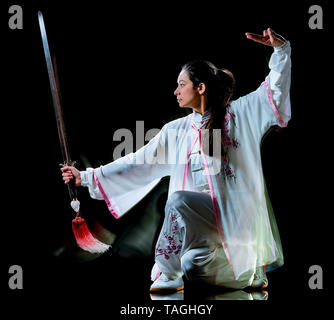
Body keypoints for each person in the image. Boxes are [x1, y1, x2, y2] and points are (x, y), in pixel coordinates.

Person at [61, 28, 291, 292]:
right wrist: (87, 176)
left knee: (178, 199)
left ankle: (169, 273)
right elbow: (139, 162)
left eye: (182, 84)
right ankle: (249, 272)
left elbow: (273, 91)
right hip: (202, 226)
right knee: (192, 266)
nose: (175, 91)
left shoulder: (240, 114)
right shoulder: (176, 130)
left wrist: (281, 50)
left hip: (237, 220)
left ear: (201, 87)